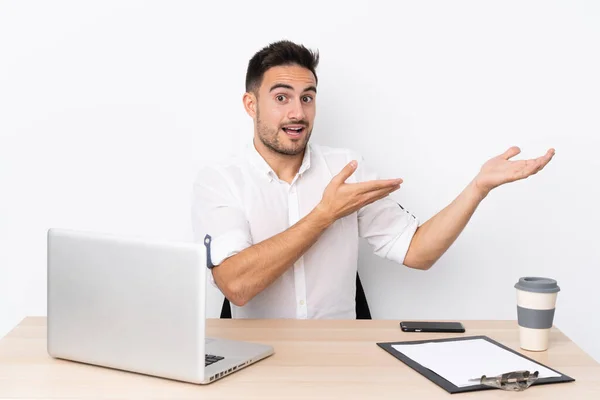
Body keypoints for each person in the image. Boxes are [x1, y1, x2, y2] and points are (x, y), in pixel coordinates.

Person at [191, 40, 554, 319]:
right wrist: (324, 215)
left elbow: (417, 252)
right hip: (256, 360)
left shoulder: (346, 167)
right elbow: (236, 285)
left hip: (344, 357)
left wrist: (478, 188)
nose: (297, 112)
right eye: (281, 97)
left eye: (307, 97)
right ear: (251, 104)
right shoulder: (220, 181)